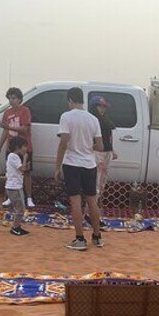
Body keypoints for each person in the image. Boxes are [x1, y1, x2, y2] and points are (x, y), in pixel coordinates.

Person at [54, 87, 104, 251]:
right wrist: (88, 146)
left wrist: (57, 166)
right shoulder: (93, 119)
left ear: (70, 100)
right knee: (92, 200)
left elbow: (63, 143)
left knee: (75, 201)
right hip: (89, 164)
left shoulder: (66, 117)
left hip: (72, 164)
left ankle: (80, 238)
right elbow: (100, 145)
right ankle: (97, 237)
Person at [0, 87, 34, 209]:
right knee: (10, 173)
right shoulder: (7, 113)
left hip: (23, 147)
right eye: (10, 98)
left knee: (26, 173)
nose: (12, 101)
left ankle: (29, 198)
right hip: (11, 148)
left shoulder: (25, 111)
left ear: (20, 99)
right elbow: (5, 131)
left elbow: (25, 129)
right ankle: (8, 198)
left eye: (14, 98)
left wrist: (9, 127)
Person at [90, 96, 117, 196]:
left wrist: (112, 150)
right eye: (100, 106)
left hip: (107, 153)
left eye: (104, 107)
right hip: (97, 154)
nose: (103, 109)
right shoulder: (91, 120)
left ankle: (96, 204)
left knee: (102, 182)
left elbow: (109, 136)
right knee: (95, 182)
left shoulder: (106, 120)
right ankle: (89, 209)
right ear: (94, 107)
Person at [4, 136, 30, 236]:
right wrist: (25, 158)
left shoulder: (13, 156)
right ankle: (15, 227)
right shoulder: (13, 156)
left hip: (15, 186)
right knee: (20, 209)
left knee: (20, 208)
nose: (25, 149)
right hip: (14, 187)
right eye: (24, 146)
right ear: (18, 147)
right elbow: (22, 169)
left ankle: (17, 226)